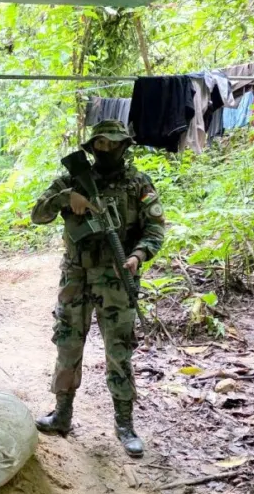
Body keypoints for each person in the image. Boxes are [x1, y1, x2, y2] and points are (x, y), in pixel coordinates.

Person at [30, 120, 165, 457]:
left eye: (113, 144)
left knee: (118, 351)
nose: (106, 150)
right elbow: (37, 214)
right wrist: (67, 197)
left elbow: (155, 230)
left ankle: (124, 423)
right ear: (92, 148)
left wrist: (137, 255)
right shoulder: (73, 179)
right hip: (76, 277)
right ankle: (62, 414)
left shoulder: (138, 184)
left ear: (124, 146)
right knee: (67, 343)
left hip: (117, 279)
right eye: (100, 145)